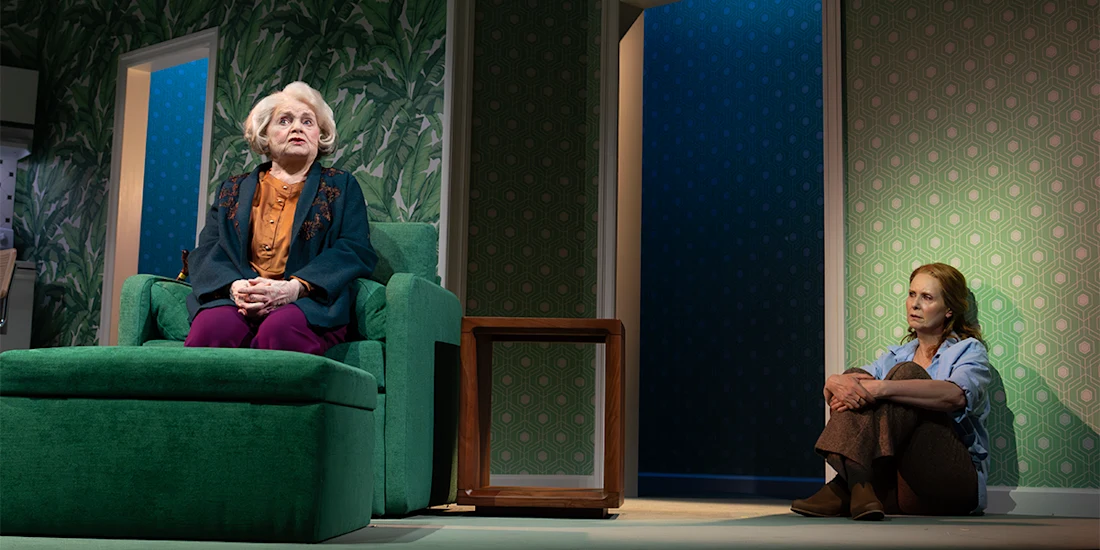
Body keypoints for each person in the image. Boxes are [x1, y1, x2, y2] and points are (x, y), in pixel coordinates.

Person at [183, 81, 377, 356]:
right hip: (240, 299)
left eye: (307, 121)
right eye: (284, 120)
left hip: (306, 301)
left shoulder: (342, 186)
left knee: (281, 330)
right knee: (212, 329)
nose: (297, 128)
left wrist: (293, 289)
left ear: (320, 134)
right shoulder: (232, 189)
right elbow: (207, 250)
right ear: (265, 135)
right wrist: (235, 287)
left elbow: (354, 249)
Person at [792, 263, 991, 520]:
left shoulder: (968, 350)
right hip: (901, 487)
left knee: (906, 374)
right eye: (911, 294)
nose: (914, 304)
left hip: (951, 483)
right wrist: (832, 381)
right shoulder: (896, 355)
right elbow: (849, 384)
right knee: (855, 374)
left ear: (949, 309)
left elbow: (955, 396)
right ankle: (860, 485)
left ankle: (844, 487)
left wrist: (883, 388)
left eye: (927, 297)